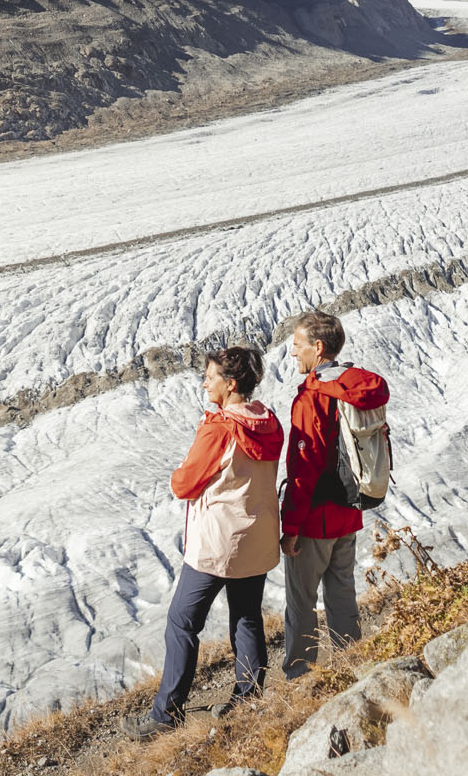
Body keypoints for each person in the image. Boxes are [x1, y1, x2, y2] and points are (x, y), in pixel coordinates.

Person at [139, 342, 284, 734]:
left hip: (217, 544)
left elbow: (184, 484)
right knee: (247, 618)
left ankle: (166, 714)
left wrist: (187, 461)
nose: (204, 383)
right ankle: (249, 698)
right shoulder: (269, 422)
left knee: (182, 623)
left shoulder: (220, 429)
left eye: (210, 377)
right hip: (258, 537)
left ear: (231, 383)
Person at [278, 308, 390, 678]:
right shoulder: (354, 386)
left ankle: (299, 676)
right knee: (342, 594)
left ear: (318, 347)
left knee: (301, 602)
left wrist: (290, 526)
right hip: (350, 512)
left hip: (314, 519)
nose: (293, 353)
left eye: (297, 345)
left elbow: (303, 466)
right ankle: (353, 666)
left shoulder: (313, 396)